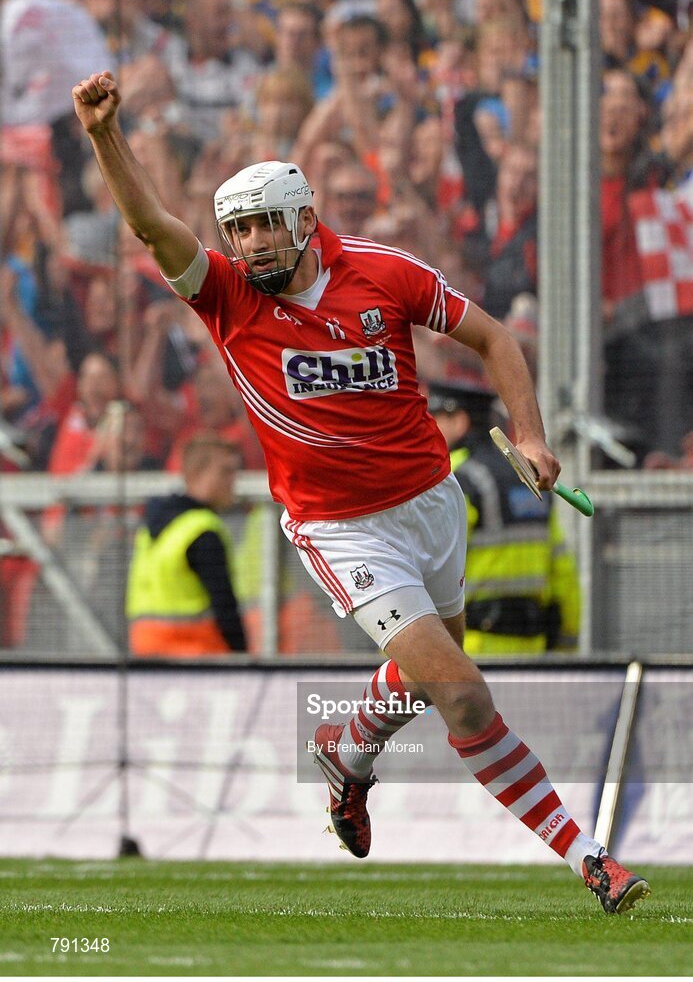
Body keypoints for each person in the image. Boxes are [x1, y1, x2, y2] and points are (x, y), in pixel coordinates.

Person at [72, 69, 649, 915]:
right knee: (459, 690)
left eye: (266, 225)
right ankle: (589, 858)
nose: (252, 244)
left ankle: (346, 750)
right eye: (239, 230)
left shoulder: (380, 272)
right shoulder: (226, 298)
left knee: (428, 679)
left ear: (305, 220)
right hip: (341, 528)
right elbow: (149, 224)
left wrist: (528, 433)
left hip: (431, 504)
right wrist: (103, 135)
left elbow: (493, 339)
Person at [427, 380, 579, 656]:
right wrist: (566, 646)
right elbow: (562, 569)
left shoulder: (452, 480)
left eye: (433, 419)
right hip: (534, 650)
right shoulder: (528, 479)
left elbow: (428, 564)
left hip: (467, 650)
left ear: (459, 421)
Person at [126, 434, 247, 657]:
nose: (233, 481)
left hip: (146, 651)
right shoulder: (202, 531)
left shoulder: (153, 525)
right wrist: (241, 656)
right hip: (197, 654)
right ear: (198, 473)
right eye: (225, 472)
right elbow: (225, 606)